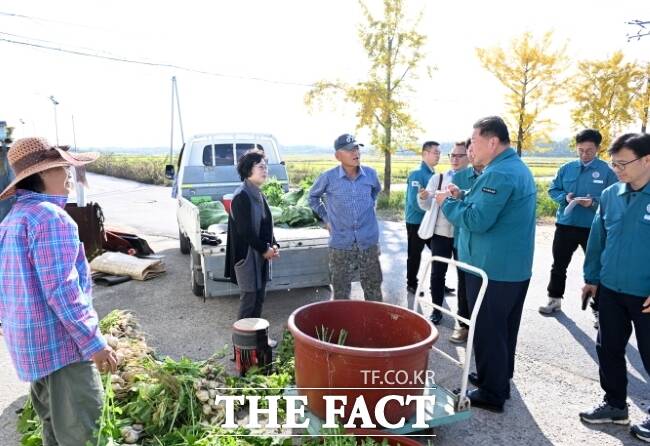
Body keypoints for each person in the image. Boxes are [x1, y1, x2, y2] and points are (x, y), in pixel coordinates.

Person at [0, 137, 117, 446]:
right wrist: (95, 343)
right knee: (85, 436)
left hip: (32, 350)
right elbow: (63, 291)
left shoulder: (13, 220)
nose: (68, 174)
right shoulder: (50, 218)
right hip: (61, 348)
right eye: (62, 167)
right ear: (41, 174)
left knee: (53, 431)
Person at [435, 116, 536, 413]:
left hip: (493, 268)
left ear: (492, 142)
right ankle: (497, 375)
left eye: (474, 142)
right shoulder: (508, 168)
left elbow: (477, 220)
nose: (470, 149)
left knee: (489, 329)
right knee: (503, 329)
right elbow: (487, 204)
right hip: (508, 267)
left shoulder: (499, 174)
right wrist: (462, 194)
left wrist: (447, 202)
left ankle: (493, 392)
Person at [579, 132, 650, 442]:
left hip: (645, 294)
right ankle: (615, 405)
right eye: (614, 163)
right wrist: (592, 278)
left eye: (623, 163)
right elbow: (598, 239)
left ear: (647, 160)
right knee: (608, 348)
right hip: (610, 289)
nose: (617, 169)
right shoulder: (610, 195)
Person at [539, 129, 617, 328]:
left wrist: (592, 202)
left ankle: (599, 310)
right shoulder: (566, 168)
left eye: (589, 151)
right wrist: (564, 198)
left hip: (593, 229)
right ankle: (554, 300)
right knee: (559, 265)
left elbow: (614, 199)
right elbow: (553, 189)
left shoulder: (607, 172)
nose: (584, 155)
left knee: (596, 269)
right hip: (565, 225)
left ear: (598, 149)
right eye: (580, 150)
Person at [309, 133, 383, 301]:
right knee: (341, 293)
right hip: (341, 243)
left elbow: (375, 192)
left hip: (368, 242)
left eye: (357, 148)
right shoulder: (328, 177)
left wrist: (370, 208)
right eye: (350, 150)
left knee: (374, 290)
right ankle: (342, 326)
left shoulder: (371, 174)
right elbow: (312, 197)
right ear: (338, 156)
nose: (355, 153)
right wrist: (326, 218)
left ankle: (375, 325)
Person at [225, 149, 280, 325]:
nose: (265, 170)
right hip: (247, 258)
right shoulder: (241, 196)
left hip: (260, 256)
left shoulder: (258, 194)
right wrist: (265, 249)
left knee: (259, 298)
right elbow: (245, 231)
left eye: (266, 167)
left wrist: (273, 245)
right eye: (260, 167)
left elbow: (265, 225)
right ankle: (243, 346)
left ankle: (257, 340)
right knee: (249, 300)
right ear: (248, 169)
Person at [418, 141, 470, 324]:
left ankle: (464, 318)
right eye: (452, 155)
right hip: (440, 234)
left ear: (469, 156)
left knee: (464, 276)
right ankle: (436, 310)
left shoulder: (475, 179)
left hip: (462, 235)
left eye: (459, 155)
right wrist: (423, 197)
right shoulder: (439, 178)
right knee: (437, 273)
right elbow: (427, 205)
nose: (454, 159)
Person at [448, 139, 485, 343]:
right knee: (463, 284)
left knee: (485, 287)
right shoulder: (460, 177)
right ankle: (463, 324)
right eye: (468, 151)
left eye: (473, 150)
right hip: (462, 239)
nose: (471, 154)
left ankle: (481, 327)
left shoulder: (493, 176)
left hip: (486, 244)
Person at [404, 141, 439, 294]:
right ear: (425, 154)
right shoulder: (417, 173)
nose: (438, 155)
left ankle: (438, 284)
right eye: (435, 152)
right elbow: (414, 202)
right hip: (416, 221)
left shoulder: (433, 174)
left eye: (439, 153)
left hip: (430, 221)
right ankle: (411, 283)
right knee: (414, 254)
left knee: (439, 253)